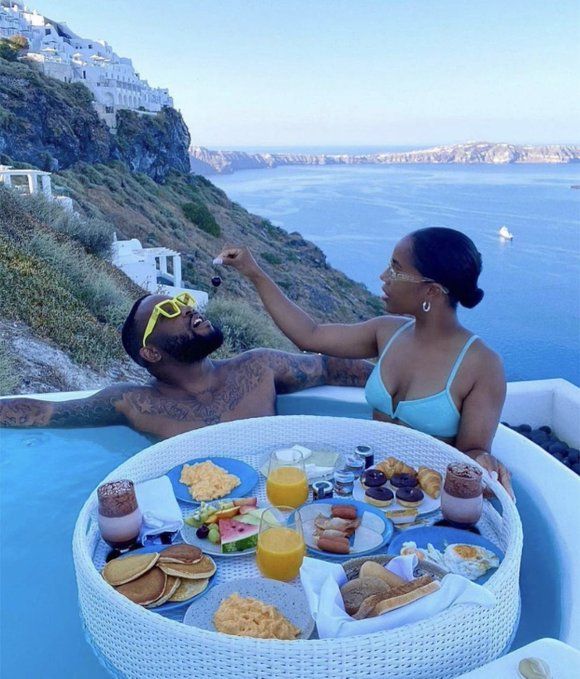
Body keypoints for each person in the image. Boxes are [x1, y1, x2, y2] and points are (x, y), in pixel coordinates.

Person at [215, 227, 513, 497]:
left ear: (431, 291)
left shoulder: (482, 365)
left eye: (395, 269)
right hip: (369, 491)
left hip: (428, 507)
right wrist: (254, 273)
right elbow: (309, 335)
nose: (383, 277)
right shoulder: (387, 332)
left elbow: (472, 453)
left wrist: (484, 463)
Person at [0, 292, 373, 439]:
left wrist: (411, 387)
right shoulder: (132, 403)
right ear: (150, 352)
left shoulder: (258, 367)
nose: (187, 308)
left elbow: (329, 367)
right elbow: (47, 412)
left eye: (182, 301)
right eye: (167, 311)